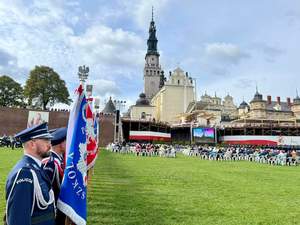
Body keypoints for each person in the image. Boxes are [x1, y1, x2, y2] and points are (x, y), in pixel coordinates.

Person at [5, 123, 55, 225]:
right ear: (32, 144)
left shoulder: (36, 168)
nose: (50, 145)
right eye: (46, 140)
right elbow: (18, 220)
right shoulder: (24, 173)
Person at [42, 127, 67, 225]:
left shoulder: (58, 160)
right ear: (61, 144)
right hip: (53, 209)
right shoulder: (51, 163)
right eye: (66, 141)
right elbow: (46, 190)